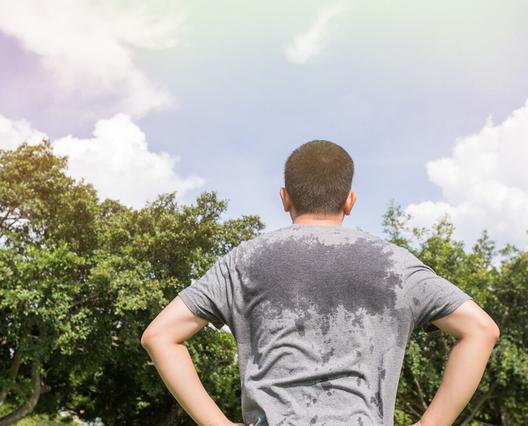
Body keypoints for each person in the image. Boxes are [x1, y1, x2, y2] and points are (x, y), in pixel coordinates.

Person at [141, 140, 500, 426]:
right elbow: (480, 329)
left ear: (285, 198)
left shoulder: (243, 261)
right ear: (349, 201)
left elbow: (159, 336)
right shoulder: (397, 265)